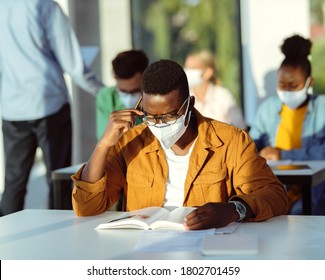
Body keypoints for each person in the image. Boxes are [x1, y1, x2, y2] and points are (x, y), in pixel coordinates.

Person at [71, 59, 287, 230]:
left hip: (206, 250)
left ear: (189, 104)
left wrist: (234, 209)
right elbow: (86, 206)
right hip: (144, 253)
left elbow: (274, 195)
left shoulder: (230, 141)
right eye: (150, 116)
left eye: (168, 116)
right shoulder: (131, 142)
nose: (158, 125)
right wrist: (104, 144)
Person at [0, 0, 104, 215]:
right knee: (58, 182)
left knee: (13, 185)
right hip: (50, 105)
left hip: (12, 109)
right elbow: (73, 63)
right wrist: (103, 92)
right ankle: (60, 242)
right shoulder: (45, 6)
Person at [249, 34, 325, 215]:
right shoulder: (267, 109)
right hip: (274, 185)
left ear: (309, 82)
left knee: (300, 213)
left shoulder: (322, 107)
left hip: (315, 190)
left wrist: (282, 153)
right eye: (282, 84)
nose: (287, 90)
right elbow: (251, 146)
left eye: (294, 85)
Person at [184, 49, 246, 130]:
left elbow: (240, 129)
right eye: (186, 67)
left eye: (192, 68)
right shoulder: (185, 98)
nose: (187, 72)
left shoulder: (223, 96)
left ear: (208, 72)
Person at [96, 50, 149, 140]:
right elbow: (105, 139)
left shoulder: (157, 98)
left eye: (134, 91)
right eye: (123, 91)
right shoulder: (106, 97)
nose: (129, 97)